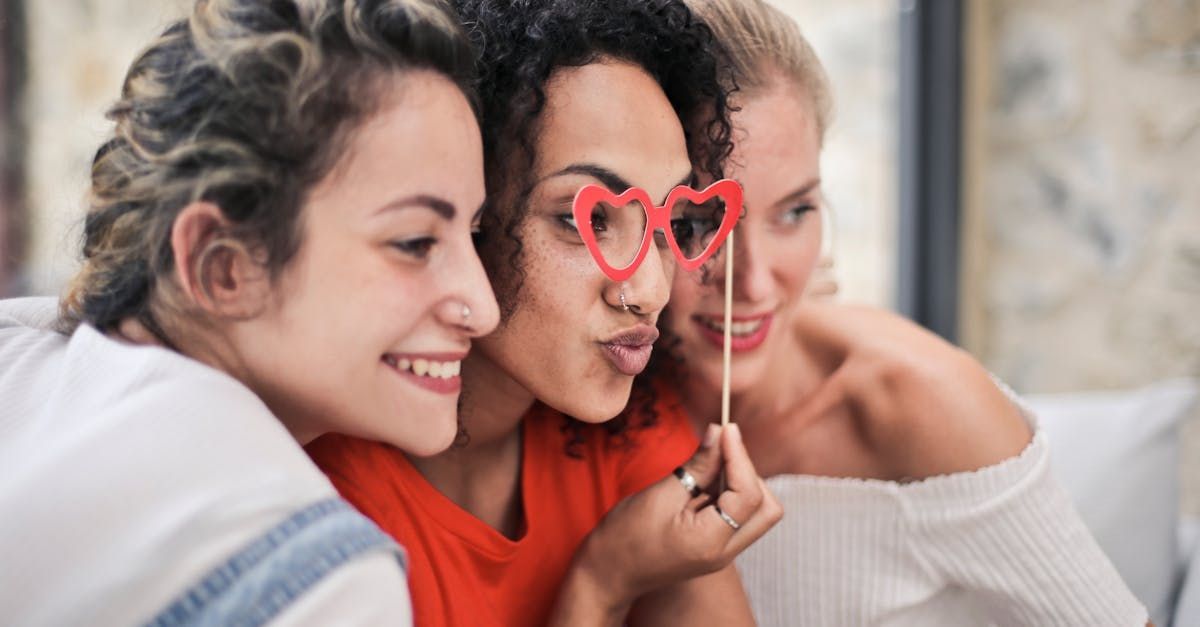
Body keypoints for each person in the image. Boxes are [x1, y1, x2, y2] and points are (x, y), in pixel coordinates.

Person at [0, 0, 500, 624]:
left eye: (473, 235)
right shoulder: (319, 580)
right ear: (223, 266)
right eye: (415, 243)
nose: (482, 309)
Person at [657, 0, 1149, 624]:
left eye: (794, 212)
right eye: (698, 221)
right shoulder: (605, 403)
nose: (753, 281)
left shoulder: (923, 403)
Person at [306, 1, 781, 625]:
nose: (649, 291)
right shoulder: (324, 506)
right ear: (465, 211)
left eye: (671, 221)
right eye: (585, 220)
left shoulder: (630, 433)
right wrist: (602, 584)